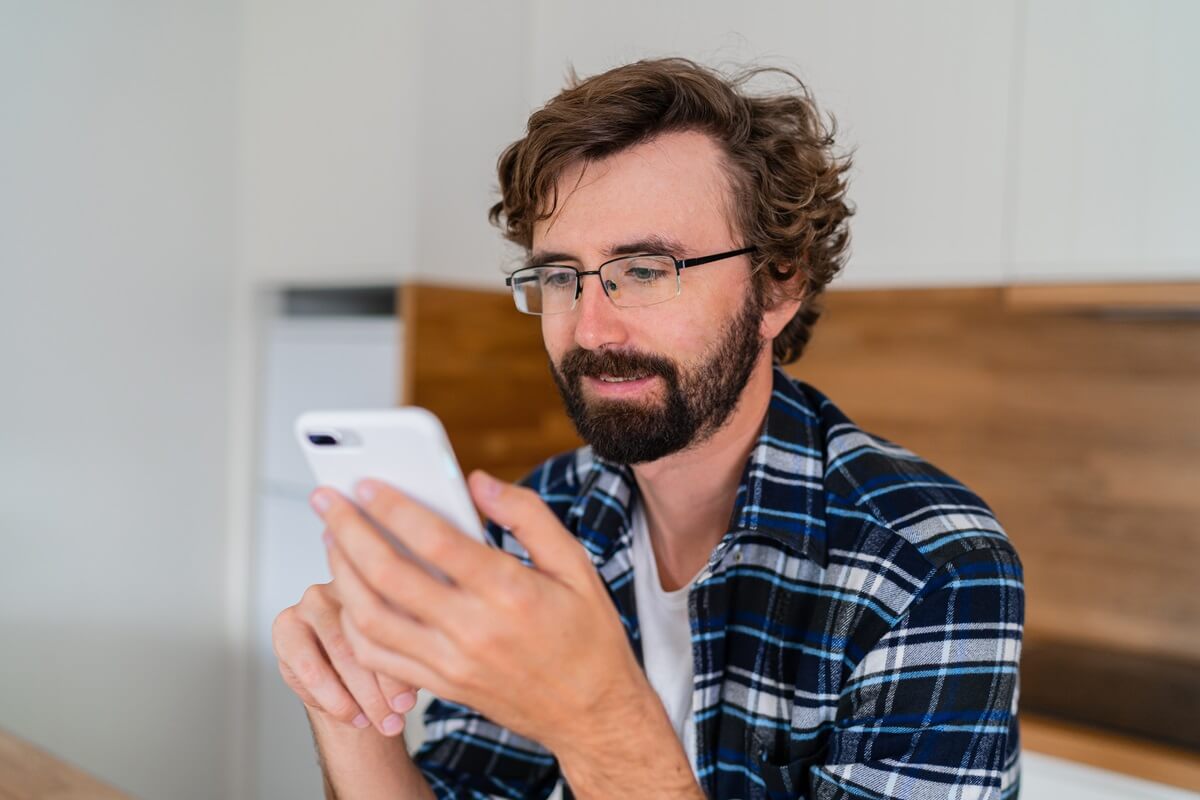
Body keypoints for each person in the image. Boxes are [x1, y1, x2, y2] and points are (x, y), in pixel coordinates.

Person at [272, 58, 1023, 799]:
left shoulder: (933, 569)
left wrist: (596, 719)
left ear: (778, 284)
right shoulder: (550, 517)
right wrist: (346, 714)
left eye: (646, 269)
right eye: (560, 276)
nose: (592, 327)